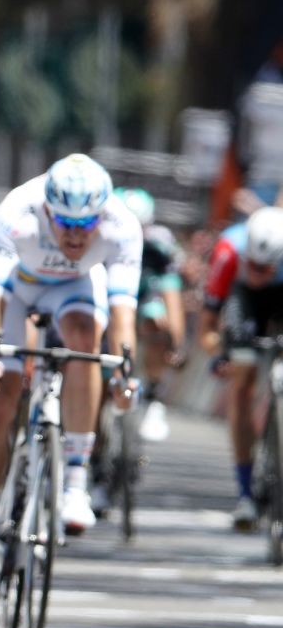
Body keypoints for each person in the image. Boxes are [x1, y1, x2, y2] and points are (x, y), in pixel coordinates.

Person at [0, 154, 141, 596]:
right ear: (47, 211)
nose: (76, 235)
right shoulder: (17, 214)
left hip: (74, 289)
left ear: (102, 215)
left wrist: (125, 376)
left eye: (86, 225)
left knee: (85, 339)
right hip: (16, 290)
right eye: (65, 224)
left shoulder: (122, 226)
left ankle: (75, 478)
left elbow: (122, 316)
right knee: (0, 398)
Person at [198, 205, 283, 531]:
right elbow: (207, 326)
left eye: (265, 268)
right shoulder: (229, 251)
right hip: (243, 300)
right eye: (253, 265)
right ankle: (246, 493)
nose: (257, 272)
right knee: (242, 379)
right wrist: (221, 354)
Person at [117, 187, 186, 443]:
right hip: (111, 295)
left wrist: (175, 343)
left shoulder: (159, 246)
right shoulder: (99, 237)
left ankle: (154, 394)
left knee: (156, 321)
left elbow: (171, 294)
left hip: (143, 296)